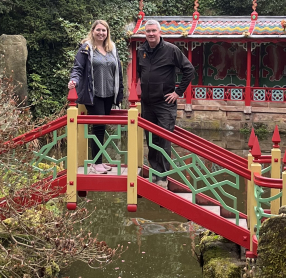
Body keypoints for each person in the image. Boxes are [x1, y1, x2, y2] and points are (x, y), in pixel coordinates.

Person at [136, 19, 194, 186]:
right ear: (145, 33)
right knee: (151, 139)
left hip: (164, 103)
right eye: (148, 31)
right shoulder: (141, 50)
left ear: (160, 32)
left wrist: (178, 92)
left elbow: (189, 69)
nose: (151, 34)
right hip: (147, 103)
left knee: (164, 138)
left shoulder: (171, 50)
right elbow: (141, 72)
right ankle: (154, 172)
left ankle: (163, 176)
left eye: (154, 31)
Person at [68, 20, 124, 174]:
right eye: (98, 30)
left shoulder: (112, 49)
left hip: (109, 94)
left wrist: (119, 94)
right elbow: (78, 68)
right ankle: (96, 163)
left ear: (107, 32)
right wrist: (74, 80)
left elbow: (118, 71)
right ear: (92, 31)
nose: (101, 33)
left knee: (102, 128)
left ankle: (98, 161)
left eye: (104, 30)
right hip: (94, 94)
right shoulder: (86, 49)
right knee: (98, 127)